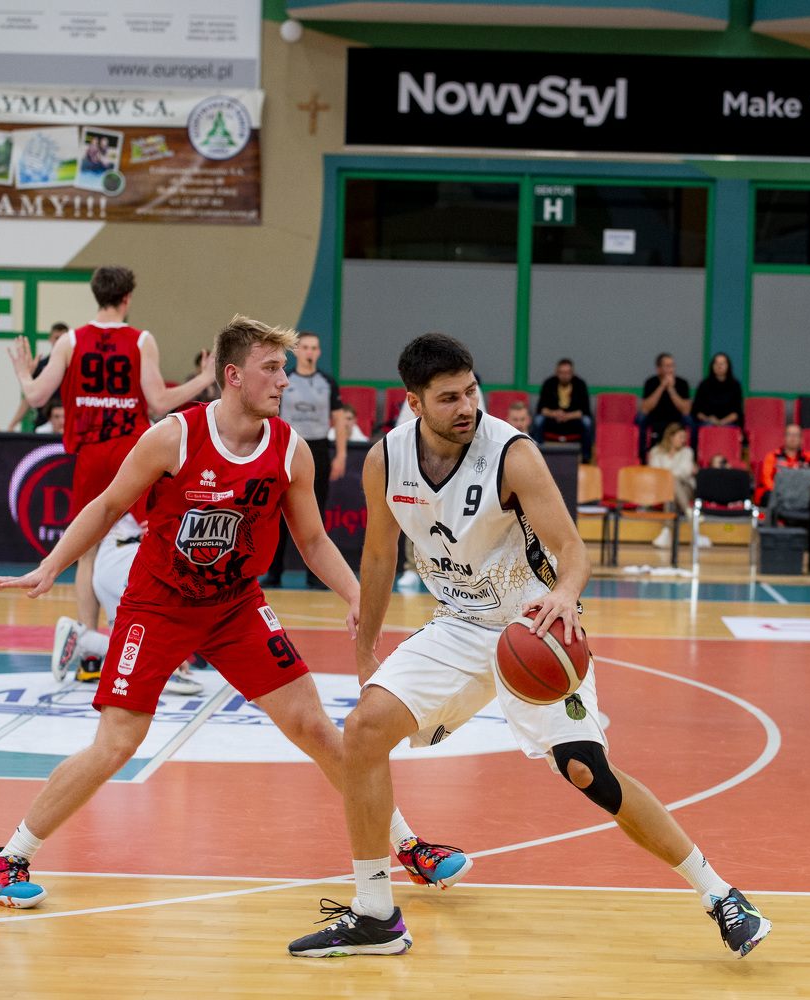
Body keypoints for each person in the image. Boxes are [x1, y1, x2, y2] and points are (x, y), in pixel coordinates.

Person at [285, 333, 769, 960]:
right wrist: (365, 650)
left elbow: (572, 550)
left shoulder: (511, 454)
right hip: (460, 622)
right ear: (415, 403)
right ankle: (376, 913)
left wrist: (565, 593)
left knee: (587, 771)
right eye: (449, 398)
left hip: (534, 626)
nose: (467, 406)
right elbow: (379, 555)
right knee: (363, 730)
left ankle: (720, 893)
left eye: (472, 390)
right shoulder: (386, 459)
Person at [0, 317, 467, 910]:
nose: (284, 380)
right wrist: (51, 565)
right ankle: (8, 857)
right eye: (272, 368)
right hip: (158, 604)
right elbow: (107, 506)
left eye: (284, 368)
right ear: (232, 376)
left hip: (236, 605)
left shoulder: (289, 449)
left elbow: (313, 540)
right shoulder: (173, 437)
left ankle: (409, 846)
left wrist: (355, 594)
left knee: (316, 727)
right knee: (117, 743)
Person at [8, 265, 215, 635]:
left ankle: (89, 643)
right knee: (151, 541)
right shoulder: (140, 340)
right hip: (131, 451)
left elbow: (37, 396)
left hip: (90, 453)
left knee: (86, 551)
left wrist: (25, 373)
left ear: (96, 295)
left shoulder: (70, 341)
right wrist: (204, 378)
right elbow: (159, 402)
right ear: (127, 298)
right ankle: (150, 628)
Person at [50, 511, 203, 695]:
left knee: (126, 653)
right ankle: (165, 666)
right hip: (124, 557)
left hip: (112, 560)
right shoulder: (157, 500)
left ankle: (82, 639)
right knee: (175, 593)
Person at [267, 330, 348, 590]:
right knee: (278, 512)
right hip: (287, 448)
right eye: (305, 347)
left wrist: (341, 455)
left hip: (319, 449)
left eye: (314, 348)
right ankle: (274, 573)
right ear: (297, 351)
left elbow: (339, 420)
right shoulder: (285, 380)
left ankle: (316, 576)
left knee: (316, 512)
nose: (310, 352)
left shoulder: (327, 382)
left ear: (319, 352)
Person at [645, 421, 700, 551]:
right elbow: (655, 473)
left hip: (684, 489)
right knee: (670, 486)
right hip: (660, 489)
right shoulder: (656, 451)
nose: (683, 440)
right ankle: (688, 511)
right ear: (671, 436)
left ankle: (666, 531)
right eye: (680, 437)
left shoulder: (687, 451)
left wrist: (668, 475)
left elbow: (685, 471)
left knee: (671, 484)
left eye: (685, 437)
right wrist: (670, 476)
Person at [7, 323, 68, 429]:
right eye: (56, 338)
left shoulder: (76, 366)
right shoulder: (40, 365)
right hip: (43, 422)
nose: (59, 342)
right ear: (50, 339)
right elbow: (29, 398)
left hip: (70, 422)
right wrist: (13, 424)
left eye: (63, 339)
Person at [533, 358, 592, 461]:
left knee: (587, 422)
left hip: (573, 422)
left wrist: (567, 416)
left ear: (573, 373)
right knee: (538, 420)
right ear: (556, 373)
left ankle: (586, 459)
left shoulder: (580, 385)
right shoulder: (548, 384)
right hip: (553, 421)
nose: (565, 376)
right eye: (562, 373)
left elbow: (584, 411)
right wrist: (555, 414)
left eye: (567, 373)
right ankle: (537, 457)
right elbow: (541, 409)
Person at [753, 423, 810, 506]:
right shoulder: (773, 456)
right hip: (776, 493)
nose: (792, 438)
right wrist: (781, 491)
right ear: (784, 438)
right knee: (769, 496)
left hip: (798, 494)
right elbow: (767, 480)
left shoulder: (806, 457)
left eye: (796, 435)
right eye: (789, 435)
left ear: (801, 439)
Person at [638, 352, 692, 446]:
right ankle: (641, 452)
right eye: (667, 366)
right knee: (640, 419)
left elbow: (686, 411)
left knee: (690, 420)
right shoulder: (650, 382)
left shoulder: (682, 383)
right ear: (658, 369)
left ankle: (693, 452)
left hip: (677, 419)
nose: (671, 370)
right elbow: (645, 409)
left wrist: (671, 390)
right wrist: (662, 386)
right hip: (654, 419)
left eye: (672, 366)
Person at [692, 352, 742, 433]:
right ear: (712, 366)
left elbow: (737, 413)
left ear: (728, 366)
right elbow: (696, 411)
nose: (719, 366)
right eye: (716, 363)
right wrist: (708, 419)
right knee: (705, 426)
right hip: (707, 422)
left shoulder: (735, 385)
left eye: (722, 363)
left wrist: (722, 422)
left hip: (728, 423)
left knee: (730, 429)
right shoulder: (704, 385)